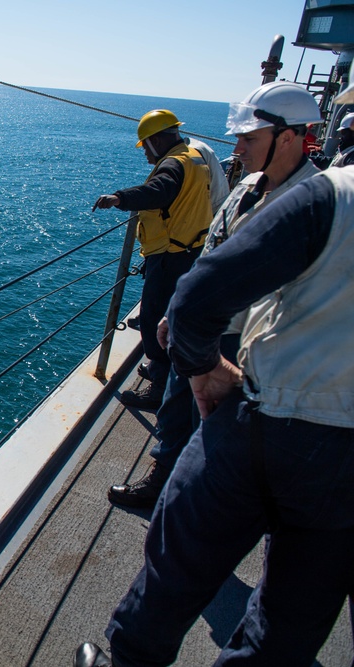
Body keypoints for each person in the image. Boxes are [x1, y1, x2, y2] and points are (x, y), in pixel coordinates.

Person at [76, 167, 354, 666]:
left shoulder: (335, 194)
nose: (240, 148)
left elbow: (200, 297)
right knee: (293, 609)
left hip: (271, 414)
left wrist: (206, 370)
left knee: (180, 554)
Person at [107, 81, 323, 509]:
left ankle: (199, 496)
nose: (237, 148)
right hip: (203, 327)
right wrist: (181, 309)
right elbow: (212, 250)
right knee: (176, 406)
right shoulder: (248, 188)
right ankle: (164, 479)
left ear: (288, 137)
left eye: (248, 138)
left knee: (220, 426)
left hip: (246, 342)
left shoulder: (316, 203)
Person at [93, 109, 212, 410]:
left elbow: (159, 191)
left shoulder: (172, 163)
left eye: (146, 144)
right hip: (189, 249)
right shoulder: (193, 156)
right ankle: (163, 373)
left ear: (159, 139)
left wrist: (120, 198)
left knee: (154, 321)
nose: (145, 152)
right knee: (169, 318)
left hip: (172, 256)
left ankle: (159, 390)